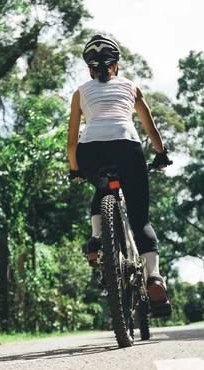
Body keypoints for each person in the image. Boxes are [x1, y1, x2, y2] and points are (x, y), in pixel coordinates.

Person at [67, 34, 173, 311]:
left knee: (102, 189)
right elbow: (151, 130)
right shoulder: (132, 87)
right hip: (127, 148)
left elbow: (71, 143)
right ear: (116, 65)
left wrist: (75, 169)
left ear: (90, 69)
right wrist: (161, 155)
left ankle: (96, 237)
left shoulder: (80, 92)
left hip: (90, 152)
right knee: (141, 220)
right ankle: (154, 276)